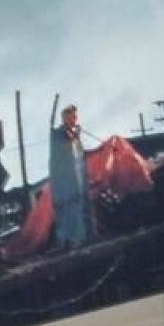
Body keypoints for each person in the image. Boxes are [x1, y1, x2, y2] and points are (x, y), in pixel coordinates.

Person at [49, 104, 93, 248]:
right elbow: (65, 144)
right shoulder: (58, 134)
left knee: (82, 205)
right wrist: (75, 134)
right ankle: (70, 239)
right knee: (68, 208)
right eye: (71, 117)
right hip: (65, 180)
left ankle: (87, 236)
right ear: (64, 118)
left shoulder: (75, 136)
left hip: (78, 178)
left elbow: (81, 154)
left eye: (75, 117)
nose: (74, 119)